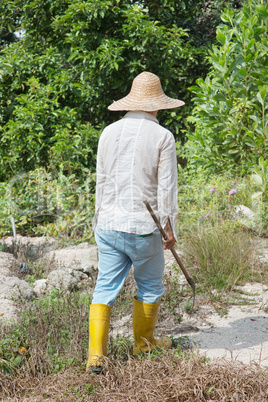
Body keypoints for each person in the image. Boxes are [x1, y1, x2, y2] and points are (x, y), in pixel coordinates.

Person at [86, 71, 185, 374]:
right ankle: (143, 344)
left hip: (108, 224)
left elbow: (101, 181)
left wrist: (98, 221)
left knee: (104, 287)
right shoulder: (162, 137)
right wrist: (169, 230)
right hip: (144, 228)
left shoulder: (108, 132)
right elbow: (166, 188)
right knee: (151, 286)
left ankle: (96, 357)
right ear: (157, 105)